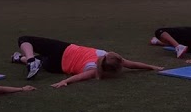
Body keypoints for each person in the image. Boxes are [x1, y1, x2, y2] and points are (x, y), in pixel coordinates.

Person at [12, 36, 163, 88]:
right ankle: (20, 58)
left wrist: (66, 82)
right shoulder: (94, 70)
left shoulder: (102, 58)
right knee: (41, 60)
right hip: (57, 66)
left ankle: (30, 60)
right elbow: (132, 64)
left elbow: (78, 78)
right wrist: (152, 67)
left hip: (64, 49)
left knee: (25, 40)